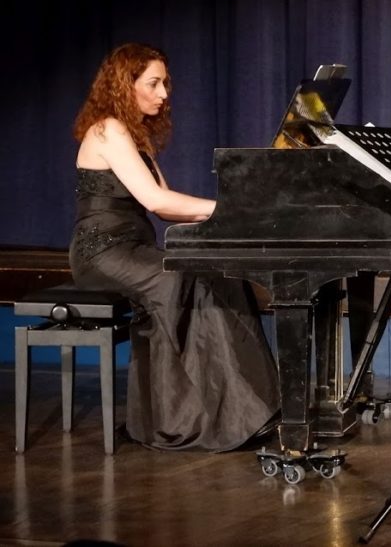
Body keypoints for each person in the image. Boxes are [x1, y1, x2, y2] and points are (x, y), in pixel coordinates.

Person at [70, 42, 280, 451]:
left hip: (134, 249)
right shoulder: (107, 129)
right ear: (124, 84)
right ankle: (213, 417)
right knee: (182, 278)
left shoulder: (134, 135)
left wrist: (221, 217)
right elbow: (157, 202)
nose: (164, 93)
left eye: (165, 83)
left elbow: (166, 208)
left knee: (218, 271)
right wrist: (229, 208)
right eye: (154, 83)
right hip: (101, 253)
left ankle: (245, 410)